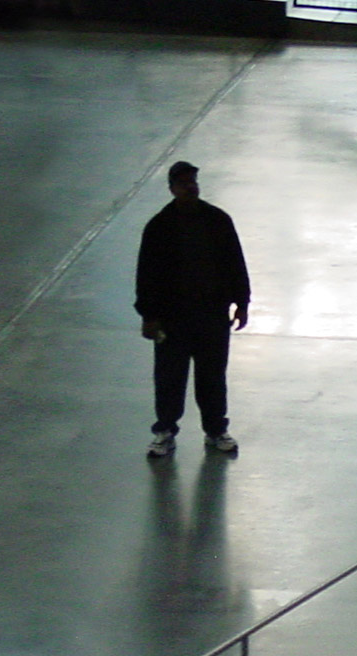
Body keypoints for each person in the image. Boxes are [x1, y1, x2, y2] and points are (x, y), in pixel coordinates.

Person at [136, 161, 251, 459]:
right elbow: (147, 276)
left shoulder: (217, 221)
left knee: (212, 376)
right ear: (172, 188)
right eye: (184, 182)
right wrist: (149, 316)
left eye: (194, 181)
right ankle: (164, 431)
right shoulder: (159, 227)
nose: (190, 187)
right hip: (173, 319)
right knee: (169, 377)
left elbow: (235, 264)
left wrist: (242, 303)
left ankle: (215, 430)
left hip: (211, 315)